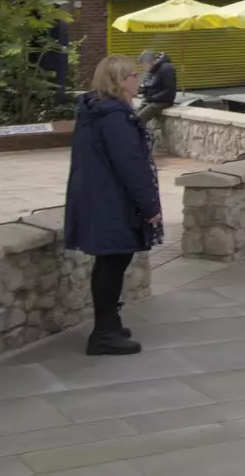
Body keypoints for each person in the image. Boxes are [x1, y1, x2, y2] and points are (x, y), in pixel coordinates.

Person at [64, 55, 163, 356]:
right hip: (111, 202)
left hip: (102, 199)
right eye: (134, 75)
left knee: (113, 262)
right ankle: (104, 333)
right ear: (120, 81)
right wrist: (149, 207)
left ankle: (110, 323)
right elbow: (130, 165)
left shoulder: (99, 111)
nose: (139, 80)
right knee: (111, 263)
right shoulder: (114, 117)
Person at [135, 50, 177, 132]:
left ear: (149, 61)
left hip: (162, 101)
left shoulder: (166, 68)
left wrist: (152, 98)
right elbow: (149, 85)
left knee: (139, 118)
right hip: (151, 99)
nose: (144, 68)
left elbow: (169, 92)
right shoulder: (151, 69)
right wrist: (141, 90)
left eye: (144, 65)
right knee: (133, 116)